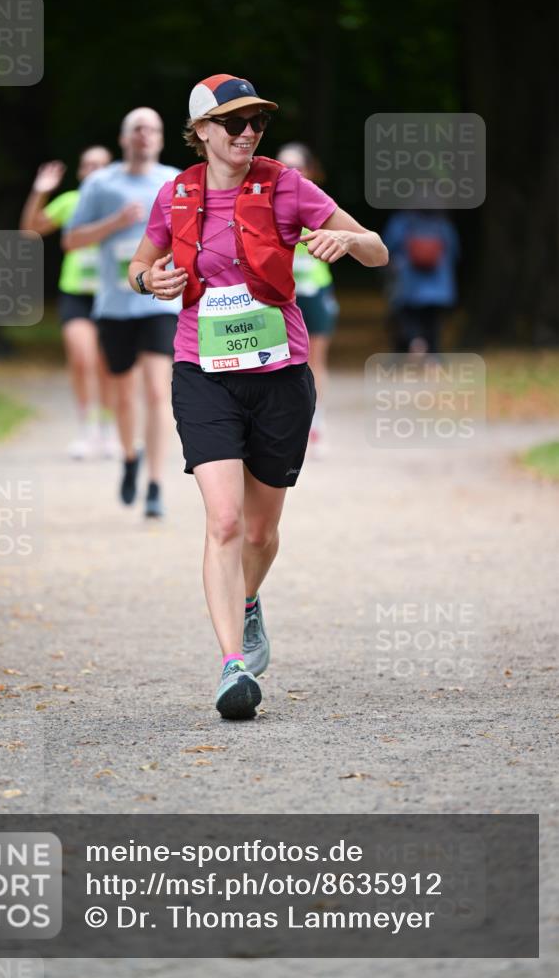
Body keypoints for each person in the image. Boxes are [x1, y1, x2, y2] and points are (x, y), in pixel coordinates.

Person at [129, 74, 388, 719]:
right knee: (223, 521)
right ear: (203, 133)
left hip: (280, 375)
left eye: (257, 124)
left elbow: (378, 251)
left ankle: (248, 603)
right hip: (202, 372)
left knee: (262, 529)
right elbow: (137, 268)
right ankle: (231, 667)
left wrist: (347, 241)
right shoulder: (175, 195)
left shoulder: (286, 186)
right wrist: (149, 280)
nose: (249, 133)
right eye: (235, 122)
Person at [63, 109, 180, 518]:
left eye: (152, 129)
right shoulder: (100, 183)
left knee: (156, 391)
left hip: (160, 302)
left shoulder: (176, 182)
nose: (145, 135)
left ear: (162, 139)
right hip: (114, 306)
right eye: (137, 129)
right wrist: (114, 223)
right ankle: (130, 457)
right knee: (125, 394)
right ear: (123, 137)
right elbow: (71, 240)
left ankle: (155, 484)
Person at [20, 147, 116, 459]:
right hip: (76, 292)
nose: (94, 170)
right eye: (88, 165)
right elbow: (30, 230)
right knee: (82, 358)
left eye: (100, 165)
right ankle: (88, 430)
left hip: (111, 294)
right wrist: (40, 191)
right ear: (80, 172)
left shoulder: (121, 201)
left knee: (108, 365)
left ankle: (110, 429)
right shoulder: (70, 202)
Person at [276, 143, 340, 456]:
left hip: (314, 291)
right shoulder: (266, 203)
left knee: (315, 361)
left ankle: (317, 425)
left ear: (309, 171)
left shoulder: (317, 202)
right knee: (282, 362)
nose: (291, 172)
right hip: (281, 295)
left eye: (297, 166)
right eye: (284, 166)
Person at [382, 208, 460, 358]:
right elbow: (455, 251)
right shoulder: (443, 223)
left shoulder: (401, 221)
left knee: (408, 317)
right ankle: (433, 357)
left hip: (409, 283)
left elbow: (387, 247)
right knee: (433, 322)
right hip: (439, 285)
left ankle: (415, 342)